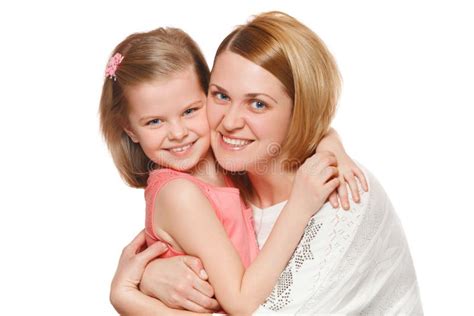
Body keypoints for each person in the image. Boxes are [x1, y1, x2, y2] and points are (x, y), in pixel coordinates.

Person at [100, 27, 365, 315]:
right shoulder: (179, 194)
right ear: (130, 130)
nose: (178, 133)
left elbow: (296, 129)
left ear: (210, 95)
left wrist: (332, 148)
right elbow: (241, 302)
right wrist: (300, 206)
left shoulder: (224, 158)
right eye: (154, 122)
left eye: (190, 111)